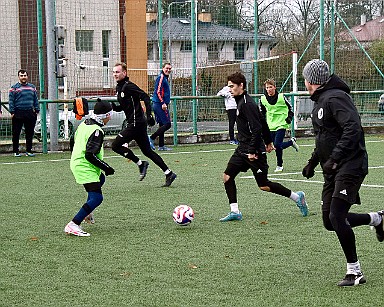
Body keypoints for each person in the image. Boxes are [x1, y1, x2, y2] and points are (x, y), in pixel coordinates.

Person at [301, 59, 384, 287]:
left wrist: (336, 157)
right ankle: (377, 219)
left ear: (311, 80)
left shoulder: (335, 97)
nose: (304, 81)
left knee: (337, 216)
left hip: (350, 164)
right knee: (330, 221)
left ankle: (355, 272)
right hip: (333, 168)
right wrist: (313, 162)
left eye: (306, 78)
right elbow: (325, 137)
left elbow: (353, 128)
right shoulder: (321, 101)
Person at [220, 72, 308, 222]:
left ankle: (297, 197)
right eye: (228, 86)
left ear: (241, 86)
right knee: (227, 177)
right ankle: (235, 211)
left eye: (232, 86)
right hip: (242, 148)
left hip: (252, 150)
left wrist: (253, 150)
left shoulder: (247, 104)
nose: (229, 89)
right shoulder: (241, 101)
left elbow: (256, 128)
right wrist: (269, 141)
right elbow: (263, 121)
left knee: (264, 185)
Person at [111, 62, 177, 187]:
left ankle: (141, 164)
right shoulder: (119, 87)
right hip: (136, 123)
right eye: (114, 72)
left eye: (117, 72)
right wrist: (116, 108)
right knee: (147, 151)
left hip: (136, 124)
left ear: (124, 73)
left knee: (115, 145)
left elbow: (145, 97)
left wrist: (149, 115)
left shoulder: (128, 86)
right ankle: (169, 173)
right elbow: (127, 105)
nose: (115, 74)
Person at [64, 100, 115, 237]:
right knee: (97, 198)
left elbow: (72, 140)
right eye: (110, 115)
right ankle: (74, 224)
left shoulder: (85, 123)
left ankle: (87, 212)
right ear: (105, 116)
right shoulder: (97, 131)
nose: (110, 117)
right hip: (84, 166)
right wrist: (107, 167)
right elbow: (90, 155)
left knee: (100, 179)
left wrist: (75, 156)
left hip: (79, 163)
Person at [259, 79, 299, 172]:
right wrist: (262, 124)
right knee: (269, 146)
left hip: (281, 123)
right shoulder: (263, 99)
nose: (269, 89)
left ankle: (279, 165)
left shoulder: (281, 97)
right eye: (267, 88)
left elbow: (290, 108)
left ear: (274, 87)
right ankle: (291, 142)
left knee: (277, 145)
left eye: (270, 87)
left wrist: (289, 118)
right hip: (270, 125)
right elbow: (262, 113)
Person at [9, 69, 40, 157]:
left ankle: (29, 151)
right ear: (19, 77)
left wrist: (36, 110)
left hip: (30, 113)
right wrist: (12, 111)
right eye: (21, 76)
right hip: (18, 113)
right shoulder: (14, 88)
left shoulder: (32, 87)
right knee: (16, 133)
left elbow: (35, 99)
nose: (23, 77)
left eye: (25, 75)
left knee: (29, 133)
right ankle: (16, 151)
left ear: (27, 76)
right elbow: (11, 101)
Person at [149, 62, 173, 151]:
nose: (168, 70)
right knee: (167, 124)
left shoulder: (165, 78)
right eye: (167, 68)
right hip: (159, 104)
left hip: (160, 104)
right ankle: (151, 138)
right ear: (163, 68)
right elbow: (158, 91)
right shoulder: (161, 78)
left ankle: (161, 146)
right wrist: (163, 103)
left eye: (170, 69)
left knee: (162, 124)